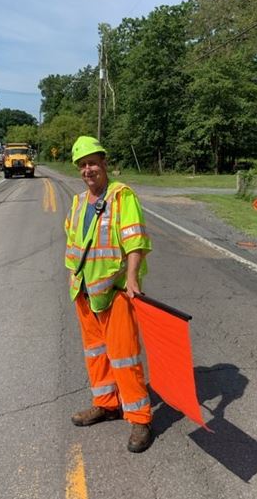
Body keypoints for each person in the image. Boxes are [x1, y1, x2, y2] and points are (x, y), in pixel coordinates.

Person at [64, 136, 153, 453]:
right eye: (82, 165)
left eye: (92, 162)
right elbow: (73, 241)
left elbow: (135, 240)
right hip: (85, 290)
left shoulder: (121, 196)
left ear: (104, 163)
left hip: (114, 291)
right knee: (96, 353)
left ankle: (139, 418)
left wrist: (132, 278)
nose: (87, 169)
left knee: (124, 356)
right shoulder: (78, 202)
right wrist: (73, 277)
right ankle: (106, 403)